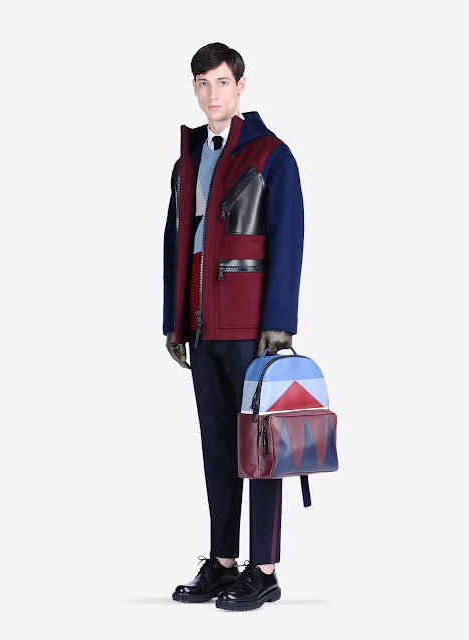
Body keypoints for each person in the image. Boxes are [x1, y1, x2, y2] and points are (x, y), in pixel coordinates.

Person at [162, 42, 304, 611]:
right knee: (217, 448)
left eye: (221, 82)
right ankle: (223, 563)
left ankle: (263, 570)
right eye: (202, 83)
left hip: (252, 329)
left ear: (241, 85)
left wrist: (280, 323)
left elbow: (289, 240)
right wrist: (174, 321)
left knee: (261, 447)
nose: (211, 93)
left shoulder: (272, 155)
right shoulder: (187, 160)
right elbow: (176, 247)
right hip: (203, 329)